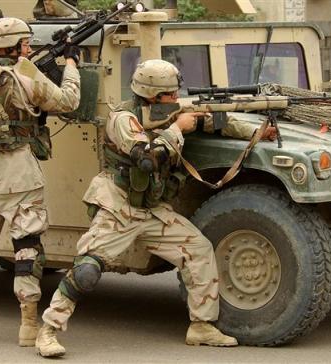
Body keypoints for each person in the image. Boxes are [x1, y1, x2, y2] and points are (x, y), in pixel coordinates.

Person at [35, 59, 276, 358]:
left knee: (198, 250)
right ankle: (48, 331)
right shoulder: (123, 118)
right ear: (151, 95)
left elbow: (219, 124)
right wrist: (177, 128)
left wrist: (256, 133)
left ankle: (201, 325)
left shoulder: (170, 111)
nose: (176, 99)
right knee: (87, 269)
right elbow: (147, 159)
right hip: (119, 207)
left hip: (151, 209)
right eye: (170, 95)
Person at [0, 17, 81, 347]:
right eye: (24, 44)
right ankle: (27, 325)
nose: (29, 49)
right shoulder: (24, 72)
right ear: (10, 48)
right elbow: (67, 102)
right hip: (19, 177)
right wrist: (71, 64)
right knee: (27, 248)